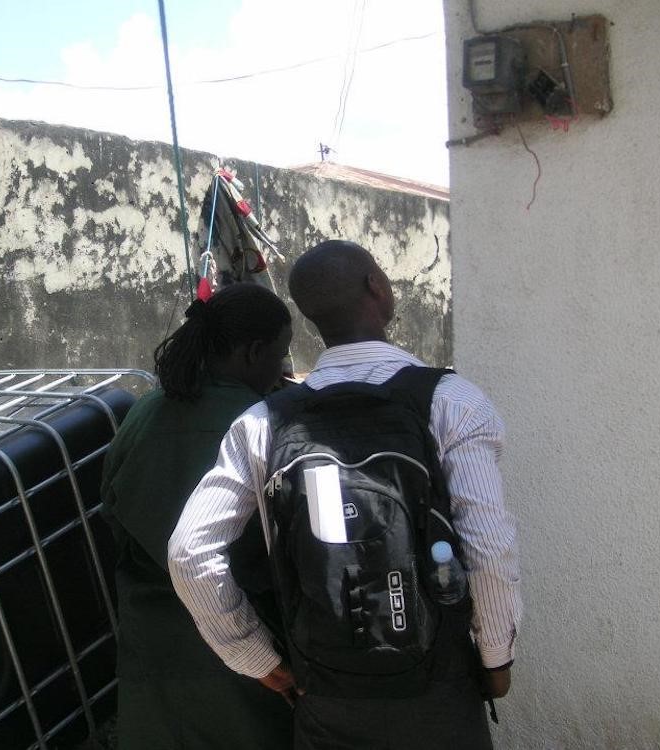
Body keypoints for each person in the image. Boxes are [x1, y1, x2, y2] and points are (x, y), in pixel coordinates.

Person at [168, 240, 522, 749]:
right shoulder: (452, 402)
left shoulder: (262, 423)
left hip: (326, 693)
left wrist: (260, 661)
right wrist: (496, 659)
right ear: (376, 287)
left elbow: (188, 554)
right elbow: (488, 548)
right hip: (439, 692)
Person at [100, 282, 295, 750]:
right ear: (253, 353)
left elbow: (113, 511)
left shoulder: (143, 411)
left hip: (151, 646)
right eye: (280, 356)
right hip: (242, 650)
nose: (282, 372)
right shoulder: (261, 423)